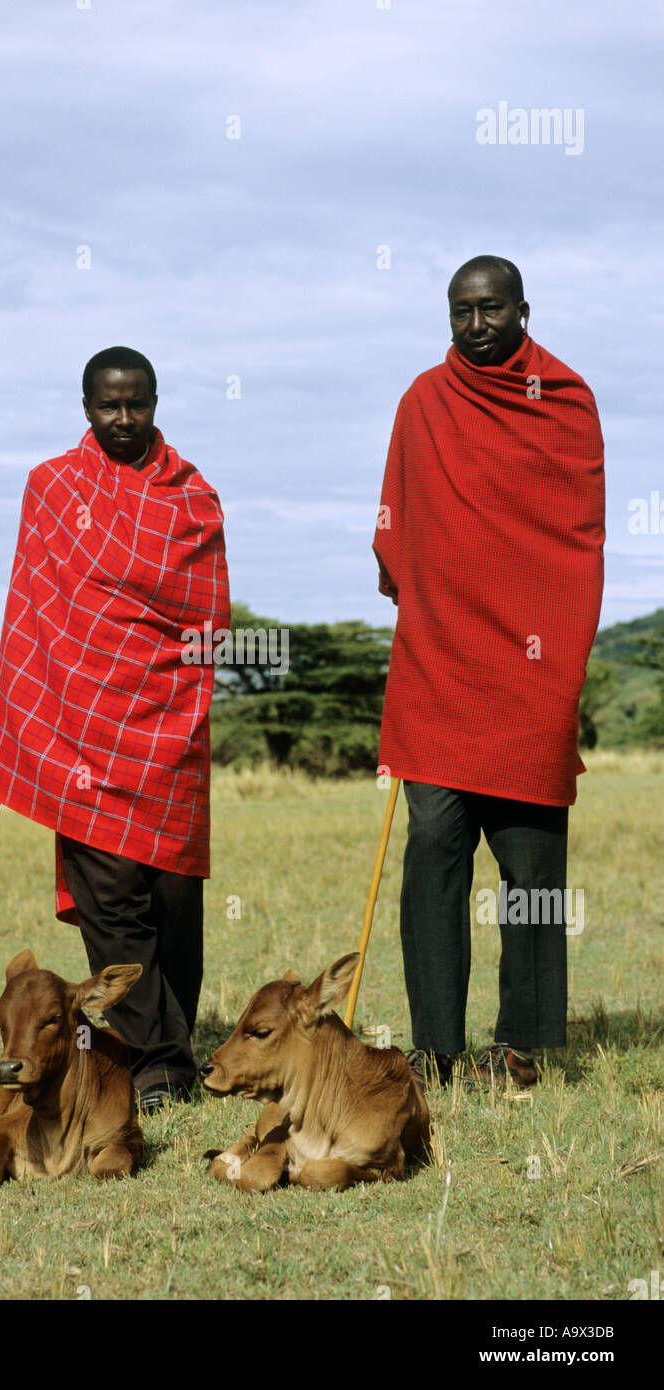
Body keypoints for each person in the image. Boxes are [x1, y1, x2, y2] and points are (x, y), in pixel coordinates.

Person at [373, 257, 605, 1090]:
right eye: (461, 311)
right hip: (443, 664)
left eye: (491, 308)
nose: (476, 325)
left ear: (522, 309)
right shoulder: (422, 403)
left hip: (534, 672)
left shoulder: (566, 402)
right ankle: (435, 1047)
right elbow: (398, 525)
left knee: (532, 866)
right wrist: (418, 576)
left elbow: (574, 538)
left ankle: (521, 1044)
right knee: (434, 843)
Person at [0, 347, 230, 1113]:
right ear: (85, 407)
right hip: (81, 730)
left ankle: (170, 1041)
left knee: (172, 900)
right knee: (113, 902)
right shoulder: (53, 489)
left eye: (137, 405)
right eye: (107, 407)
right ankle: (156, 1062)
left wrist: (172, 694)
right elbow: (35, 611)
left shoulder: (193, 500)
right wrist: (39, 714)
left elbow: (208, 619)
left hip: (167, 728)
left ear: (157, 402)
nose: (123, 420)